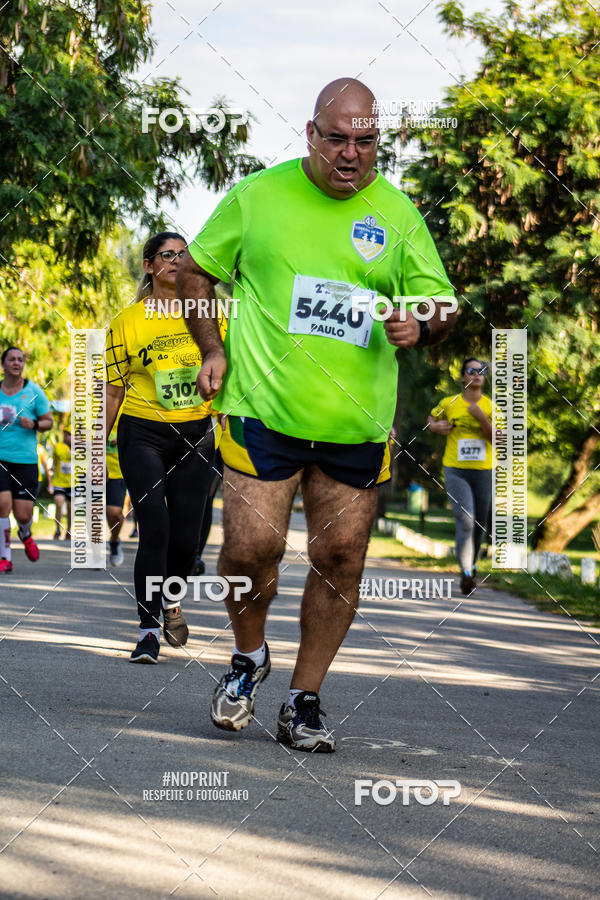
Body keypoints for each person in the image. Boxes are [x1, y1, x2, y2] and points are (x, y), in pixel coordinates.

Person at [179, 78, 457, 752]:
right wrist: (212, 347)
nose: (350, 155)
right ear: (312, 134)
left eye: (365, 143)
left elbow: (442, 302)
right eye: (338, 139)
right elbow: (194, 270)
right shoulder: (259, 196)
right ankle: (247, 661)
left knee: (340, 558)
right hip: (261, 410)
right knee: (251, 549)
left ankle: (305, 700)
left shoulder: (396, 213)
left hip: (356, 423)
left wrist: (419, 321)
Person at [105, 232, 218, 663]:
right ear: (150, 265)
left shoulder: (210, 314)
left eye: (183, 255)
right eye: (167, 255)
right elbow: (114, 390)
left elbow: (230, 373)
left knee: (187, 538)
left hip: (196, 433)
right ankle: (148, 631)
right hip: (143, 431)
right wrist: (97, 444)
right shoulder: (128, 320)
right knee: (156, 527)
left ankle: (171, 599)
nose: (176, 261)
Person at [428, 358, 495, 595]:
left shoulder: (490, 406)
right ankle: (466, 573)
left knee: (479, 525)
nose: (477, 374)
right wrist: (434, 427)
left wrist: (480, 417)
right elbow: (431, 418)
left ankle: (472, 565)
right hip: (455, 470)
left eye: (481, 371)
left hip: (484, 471)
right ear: (463, 377)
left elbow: (497, 439)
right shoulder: (450, 402)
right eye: (471, 371)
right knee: (465, 519)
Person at [0, 347, 53, 573]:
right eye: (11, 359)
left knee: (23, 514)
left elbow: (48, 421)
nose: (16, 363)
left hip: (25, 460)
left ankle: (25, 533)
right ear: (3, 364)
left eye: (20, 360)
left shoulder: (34, 392)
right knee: (2, 506)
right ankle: (5, 557)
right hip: (1, 457)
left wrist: (35, 425)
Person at [106, 414, 126, 566]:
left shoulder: (124, 402)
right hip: (90, 468)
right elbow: (68, 437)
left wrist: (123, 439)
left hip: (117, 470)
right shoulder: (84, 405)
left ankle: (114, 541)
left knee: (114, 512)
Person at [51, 426, 72, 540]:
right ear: (64, 434)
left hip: (74, 482)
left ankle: (69, 531)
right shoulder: (58, 447)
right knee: (58, 503)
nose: (70, 436)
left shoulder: (79, 447)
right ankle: (58, 529)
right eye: (68, 434)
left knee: (70, 508)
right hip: (59, 481)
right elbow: (54, 463)